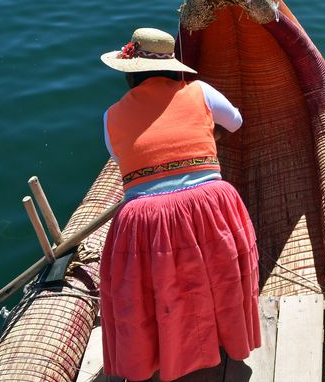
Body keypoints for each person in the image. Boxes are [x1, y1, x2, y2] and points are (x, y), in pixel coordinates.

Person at [98, 27, 260, 381]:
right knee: (219, 275)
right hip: (210, 204)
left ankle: (163, 354)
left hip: (145, 218)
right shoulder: (200, 92)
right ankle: (223, 341)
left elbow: (118, 155)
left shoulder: (112, 116)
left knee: (156, 289)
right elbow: (235, 121)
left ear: (131, 73)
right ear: (173, 67)